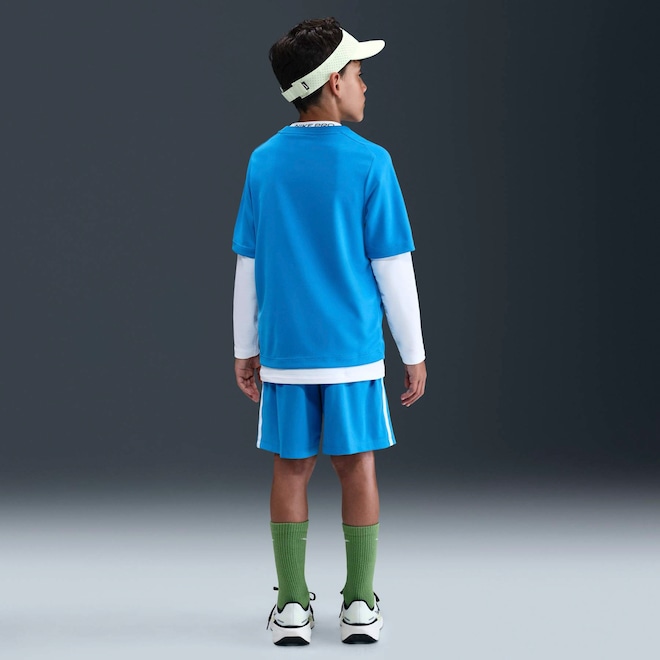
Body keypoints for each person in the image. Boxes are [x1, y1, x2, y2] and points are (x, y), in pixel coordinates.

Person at [232, 17, 426, 646]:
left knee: (291, 469)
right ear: (334, 82)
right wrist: (414, 352)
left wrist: (244, 349)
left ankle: (291, 607)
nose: (366, 86)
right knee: (357, 466)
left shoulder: (263, 162)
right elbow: (393, 267)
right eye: (360, 73)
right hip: (353, 354)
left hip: (286, 354)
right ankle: (360, 604)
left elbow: (248, 265)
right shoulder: (372, 162)